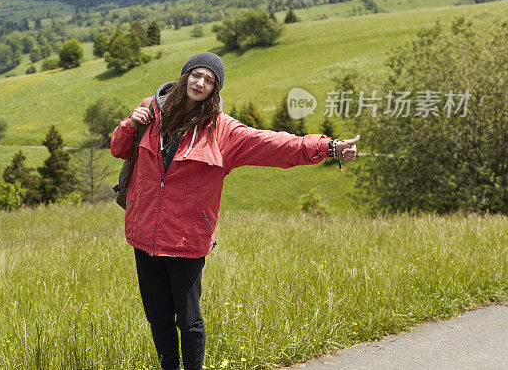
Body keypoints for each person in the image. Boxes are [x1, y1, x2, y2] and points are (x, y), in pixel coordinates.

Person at [110, 52, 359, 370]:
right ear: (184, 76)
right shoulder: (151, 109)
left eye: (209, 80)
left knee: (188, 321)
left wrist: (329, 147)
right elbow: (118, 148)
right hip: (144, 235)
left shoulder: (223, 132)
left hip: (186, 241)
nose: (200, 83)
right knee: (158, 316)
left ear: (215, 90)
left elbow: (277, 145)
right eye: (196, 75)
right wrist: (130, 124)